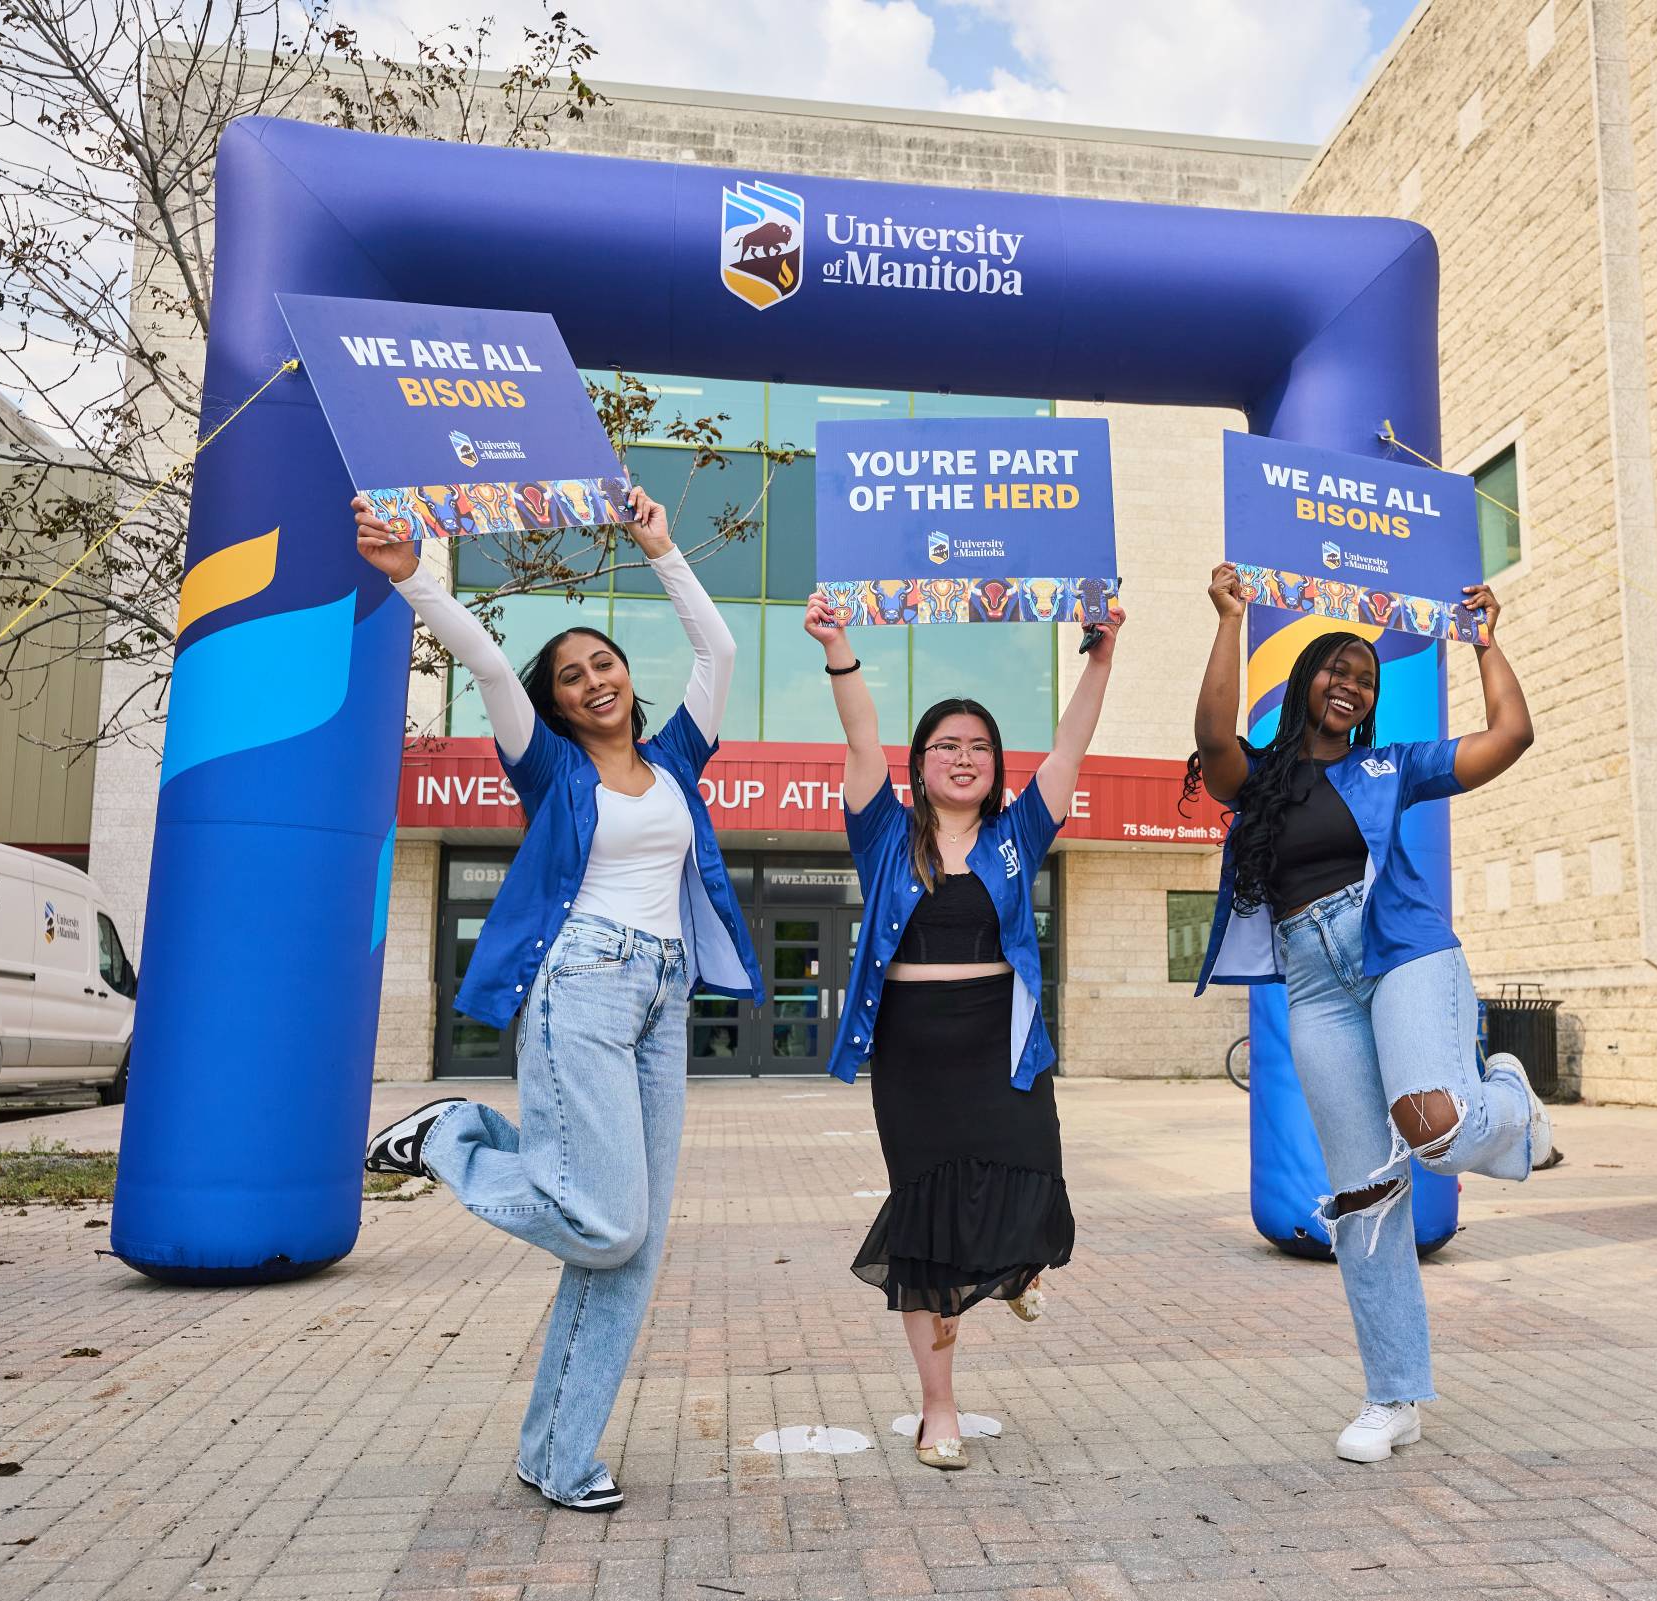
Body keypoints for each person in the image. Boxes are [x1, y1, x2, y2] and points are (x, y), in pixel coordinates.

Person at [352, 488, 760, 1513]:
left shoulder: (675, 760)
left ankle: (560, 1454)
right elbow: (488, 664)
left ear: (626, 676)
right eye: (572, 674)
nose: (592, 679)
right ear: (561, 699)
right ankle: (456, 1139)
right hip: (580, 980)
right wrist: (416, 582)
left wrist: (662, 549)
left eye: (604, 661)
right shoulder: (551, 770)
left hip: (664, 997)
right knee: (611, 1219)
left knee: (628, 1245)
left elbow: (720, 655)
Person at [1185, 563, 1553, 1465]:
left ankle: (1508, 1099)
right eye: (1335, 668)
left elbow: (1512, 734)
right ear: (1305, 676)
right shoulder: (1259, 777)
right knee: (1364, 1196)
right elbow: (1208, 733)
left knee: (1432, 1129)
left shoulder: (1394, 765)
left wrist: (1486, 642)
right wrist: (1231, 619)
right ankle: (1394, 1396)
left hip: (1402, 950)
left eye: (1366, 676)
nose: (1350, 683)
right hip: (1312, 982)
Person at [803, 590, 1123, 1471]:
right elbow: (860, 733)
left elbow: (1072, 745)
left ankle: (1017, 1269)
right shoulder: (882, 832)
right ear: (920, 762)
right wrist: (839, 646)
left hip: (1002, 1045)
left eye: (980, 745)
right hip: (913, 1054)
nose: (965, 756)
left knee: (1031, 1180)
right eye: (947, 744)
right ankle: (937, 1408)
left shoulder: (1019, 832)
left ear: (996, 766)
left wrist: (1099, 654)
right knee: (928, 1227)